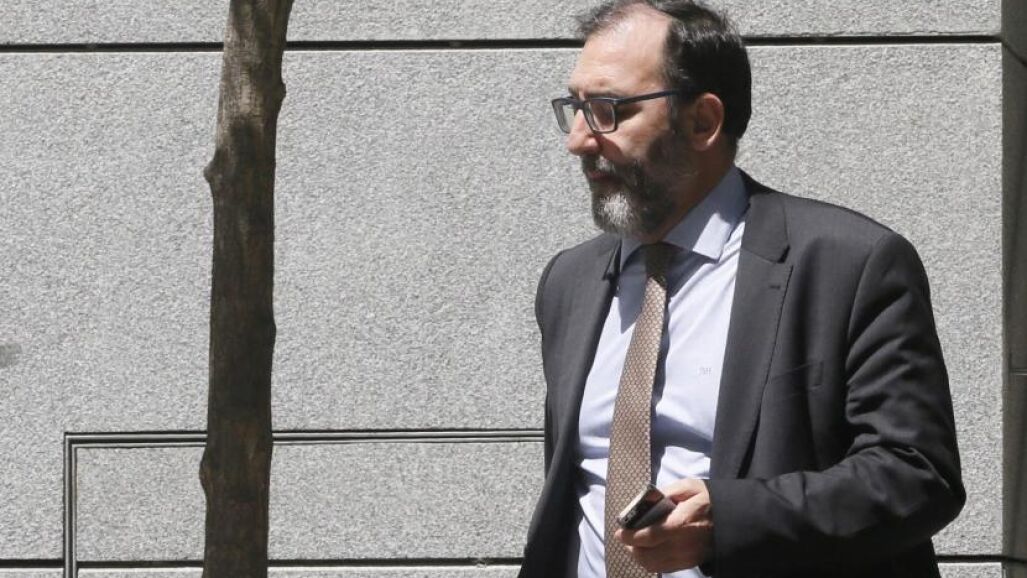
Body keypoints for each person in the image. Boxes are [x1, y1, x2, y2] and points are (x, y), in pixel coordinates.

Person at [517, 1, 965, 577]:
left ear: (703, 121)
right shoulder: (569, 283)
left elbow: (917, 476)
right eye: (576, 108)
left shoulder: (849, 265)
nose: (579, 141)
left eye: (608, 111)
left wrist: (731, 522)